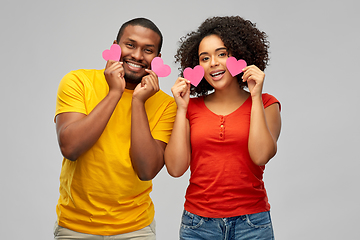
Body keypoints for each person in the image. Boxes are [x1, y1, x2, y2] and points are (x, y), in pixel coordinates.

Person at [53, 17, 177, 240]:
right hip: (75, 227)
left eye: (148, 50)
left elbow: (146, 170)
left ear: (157, 59)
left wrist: (138, 102)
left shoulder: (166, 104)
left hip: (136, 229)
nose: (138, 55)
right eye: (130, 45)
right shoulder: (78, 81)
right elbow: (70, 148)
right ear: (115, 46)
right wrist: (114, 94)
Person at [164, 16, 281, 240]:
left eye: (222, 54)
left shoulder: (266, 103)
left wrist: (255, 96)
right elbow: (176, 168)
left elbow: (260, 155)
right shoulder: (190, 108)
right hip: (198, 224)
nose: (213, 63)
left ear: (239, 55)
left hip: (252, 223)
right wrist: (180, 109)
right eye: (204, 58)